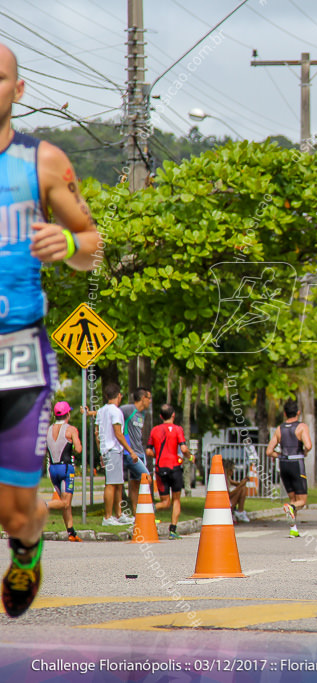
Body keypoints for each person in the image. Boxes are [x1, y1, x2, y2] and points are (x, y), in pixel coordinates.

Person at [0, 43, 100, 617]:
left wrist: (65, 244)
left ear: (19, 90)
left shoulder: (43, 163)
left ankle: (29, 540)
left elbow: (92, 243)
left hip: (20, 352)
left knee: (14, 511)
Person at [267, 399, 312, 537]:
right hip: (296, 463)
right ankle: (291, 509)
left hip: (283, 464)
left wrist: (280, 455)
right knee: (301, 501)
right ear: (298, 412)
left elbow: (269, 451)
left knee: (293, 498)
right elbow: (308, 445)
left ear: (285, 413)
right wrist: (304, 451)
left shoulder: (279, 429)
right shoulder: (301, 427)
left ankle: (293, 529)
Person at [149, 404, 191, 539]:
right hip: (174, 467)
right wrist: (190, 457)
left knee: (165, 502)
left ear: (161, 416)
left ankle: (152, 509)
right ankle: (173, 530)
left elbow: (148, 451)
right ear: (173, 415)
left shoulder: (154, 430)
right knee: (176, 500)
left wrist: (159, 457)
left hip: (160, 468)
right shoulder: (178, 429)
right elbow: (184, 449)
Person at [96, 384, 136, 527]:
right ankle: (107, 517)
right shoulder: (116, 411)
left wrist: (100, 451)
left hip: (108, 450)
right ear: (119, 395)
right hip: (113, 449)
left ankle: (119, 515)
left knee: (118, 483)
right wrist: (130, 451)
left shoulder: (101, 411)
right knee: (111, 484)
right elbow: (118, 433)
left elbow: (98, 434)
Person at [45, 402, 82, 542]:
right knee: (65, 503)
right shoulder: (71, 429)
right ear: (68, 414)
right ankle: (42, 505)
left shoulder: (48, 429)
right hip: (66, 468)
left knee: (65, 503)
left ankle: (71, 532)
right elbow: (79, 449)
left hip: (52, 469)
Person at [120, 387, 152, 515]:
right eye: (149, 398)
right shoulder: (128, 410)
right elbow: (111, 414)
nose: (150, 401)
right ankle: (148, 512)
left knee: (134, 485)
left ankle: (136, 514)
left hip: (139, 452)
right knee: (147, 478)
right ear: (143, 398)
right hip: (130, 454)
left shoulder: (142, 414)